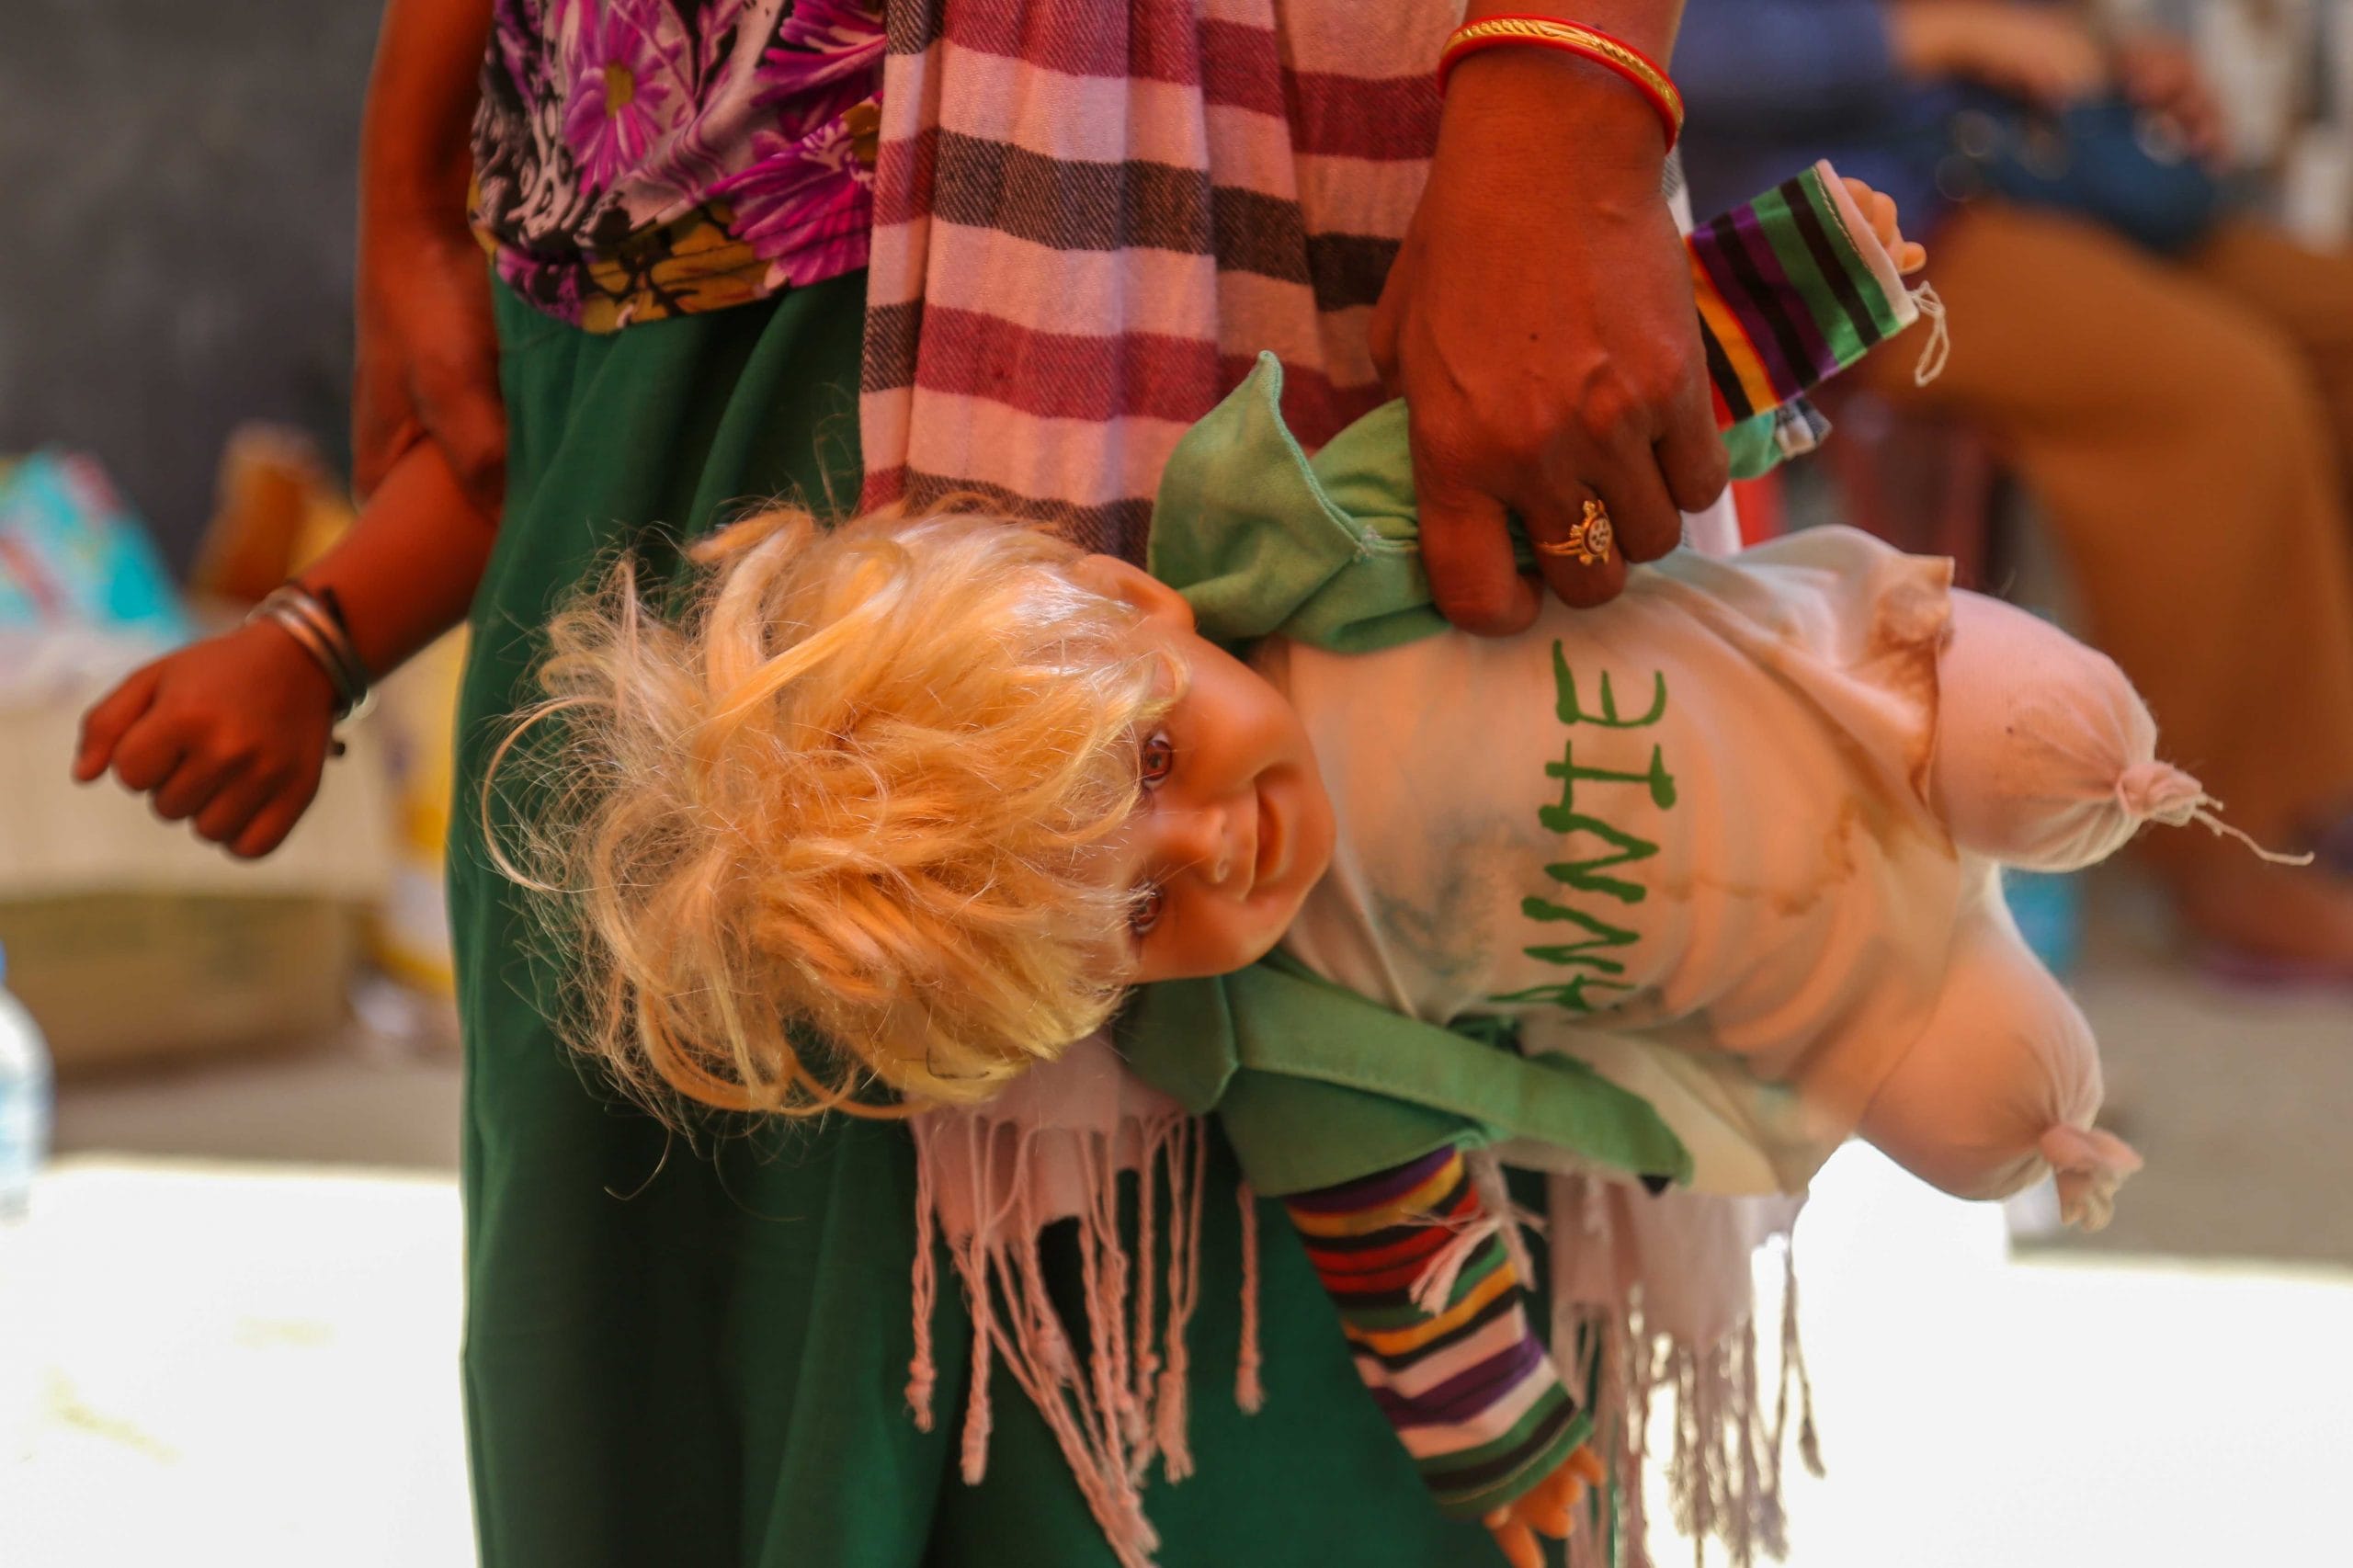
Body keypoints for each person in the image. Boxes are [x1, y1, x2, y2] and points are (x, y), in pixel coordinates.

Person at [75, 3, 1765, 1564]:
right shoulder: (1214, 1002)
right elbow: (1379, 1184)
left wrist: (1573, 92)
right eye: (1131, 905)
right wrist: (408, 183)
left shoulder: (1303, 508)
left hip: (1223, 193)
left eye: (1151, 763)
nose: (1225, 847)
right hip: (634, 214)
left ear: (1140, 599)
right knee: (679, 1364)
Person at [1674, 0, 2353, 978]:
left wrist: (2114, 61)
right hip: (1851, 220)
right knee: (2219, 392)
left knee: (2335, 320)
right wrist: (1943, 35)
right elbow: (1677, 46)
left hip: (2023, 164)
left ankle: (2330, 777)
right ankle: (2245, 854)